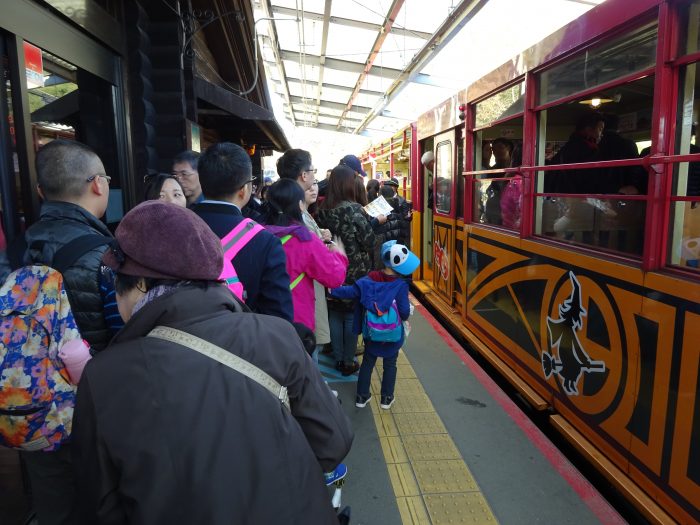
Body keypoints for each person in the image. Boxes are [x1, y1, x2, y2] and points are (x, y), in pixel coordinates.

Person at [72, 200, 353, 524]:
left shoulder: (104, 378)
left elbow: (99, 506)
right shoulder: (278, 336)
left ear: (138, 284)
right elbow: (334, 442)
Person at [18, 139, 116, 525]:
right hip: (93, 408)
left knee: (53, 503)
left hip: (30, 401)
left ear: (43, 192)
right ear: (97, 184)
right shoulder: (104, 254)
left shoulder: (19, 243)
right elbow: (118, 331)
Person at [192, 142, 293, 322]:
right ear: (244, 189)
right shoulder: (265, 242)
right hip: (239, 345)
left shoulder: (175, 227)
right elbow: (279, 318)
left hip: (176, 343)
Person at [330, 240, 419, 410]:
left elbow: (349, 292)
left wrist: (331, 290)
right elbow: (404, 313)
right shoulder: (400, 285)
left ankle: (362, 397)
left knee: (367, 364)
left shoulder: (367, 281)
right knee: (390, 365)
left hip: (371, 334)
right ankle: (386, 398)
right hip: (392, 336)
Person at [264, 178, 348, 334]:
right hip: (297, 321)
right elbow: (335, 277)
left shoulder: (258, 234)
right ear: (299, 205)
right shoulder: (304, 239)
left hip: (264, 319)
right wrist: (340, 256)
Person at [317, 165, 377, 375]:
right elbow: (369, 241)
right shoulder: (354, 209)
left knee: (334, 312)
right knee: (351, 315)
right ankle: (348, 360)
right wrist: (376, 223)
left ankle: (337, 355)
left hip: (330, 270)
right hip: (354, 272)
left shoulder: (321, 211)